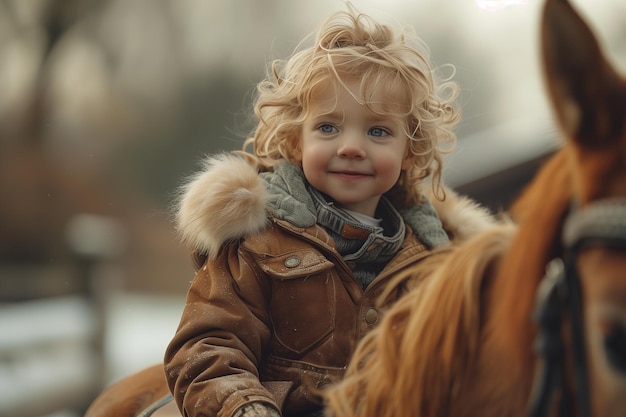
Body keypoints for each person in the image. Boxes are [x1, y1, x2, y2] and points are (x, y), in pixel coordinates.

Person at [164, 4, 494, 417]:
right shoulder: (258, 242)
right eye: (328, 127)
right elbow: (207, 347)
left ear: (410, 152)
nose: (351, 146)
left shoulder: (437, 266)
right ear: (297, 141)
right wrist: (244, 408)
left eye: (377, 131)